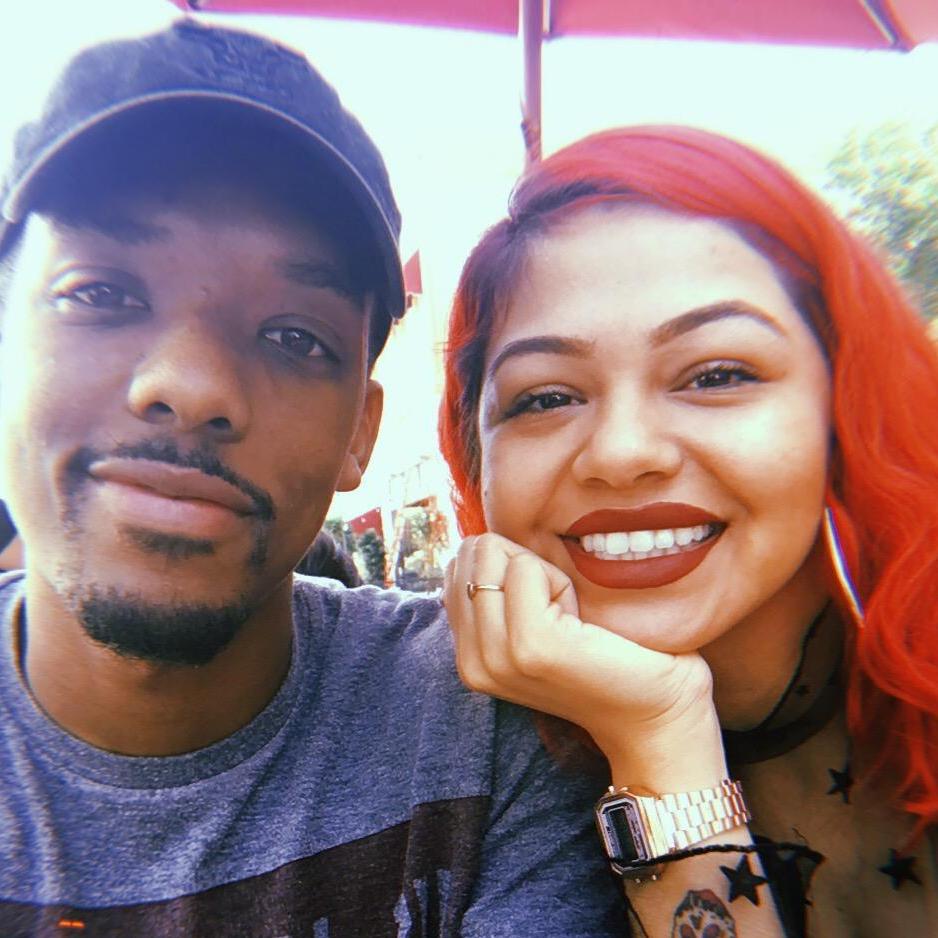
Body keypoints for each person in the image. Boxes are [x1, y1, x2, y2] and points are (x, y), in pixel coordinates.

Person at [0, 21, 628, 936]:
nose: (192, 386)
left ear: (359, 434)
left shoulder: (476, 729)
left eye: (296, 337)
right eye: (101, 294)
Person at [439, 125, 938, 937]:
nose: (621, 454)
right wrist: (657, 738)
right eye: (546, 397)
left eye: (716, 375)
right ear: (476, 452)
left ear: (846, 405)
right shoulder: (492, 771)